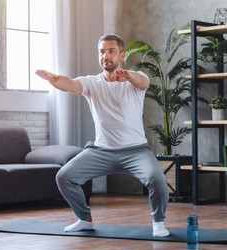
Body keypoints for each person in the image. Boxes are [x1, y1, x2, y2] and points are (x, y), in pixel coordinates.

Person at [35, 34, 170, 237]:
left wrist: (129, 77)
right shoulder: (92, 83)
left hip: (135, 151)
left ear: (122, 55)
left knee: (157, 179)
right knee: (64, 177)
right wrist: (53, 79)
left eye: (111, 51)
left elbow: (142, 82)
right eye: (102, 51)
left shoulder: (134, 79)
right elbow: (70, 84)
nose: (105, 55)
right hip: (101, 151)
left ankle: (158, 223)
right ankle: (84, 219)